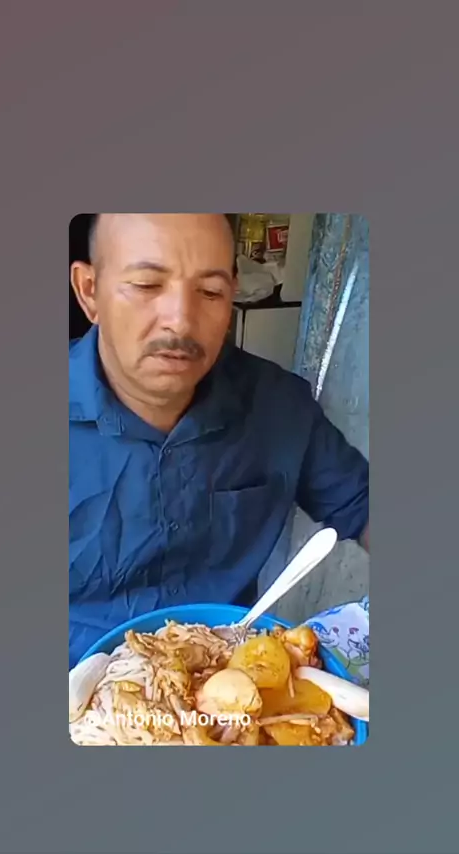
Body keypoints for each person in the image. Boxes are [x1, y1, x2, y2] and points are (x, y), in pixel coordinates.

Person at [69, 213, 369, 669]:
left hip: (229, 678)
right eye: (147, 285)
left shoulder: (277, 406)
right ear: (89, 290)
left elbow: (362, 504)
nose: (180, 322)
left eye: (210, 292)